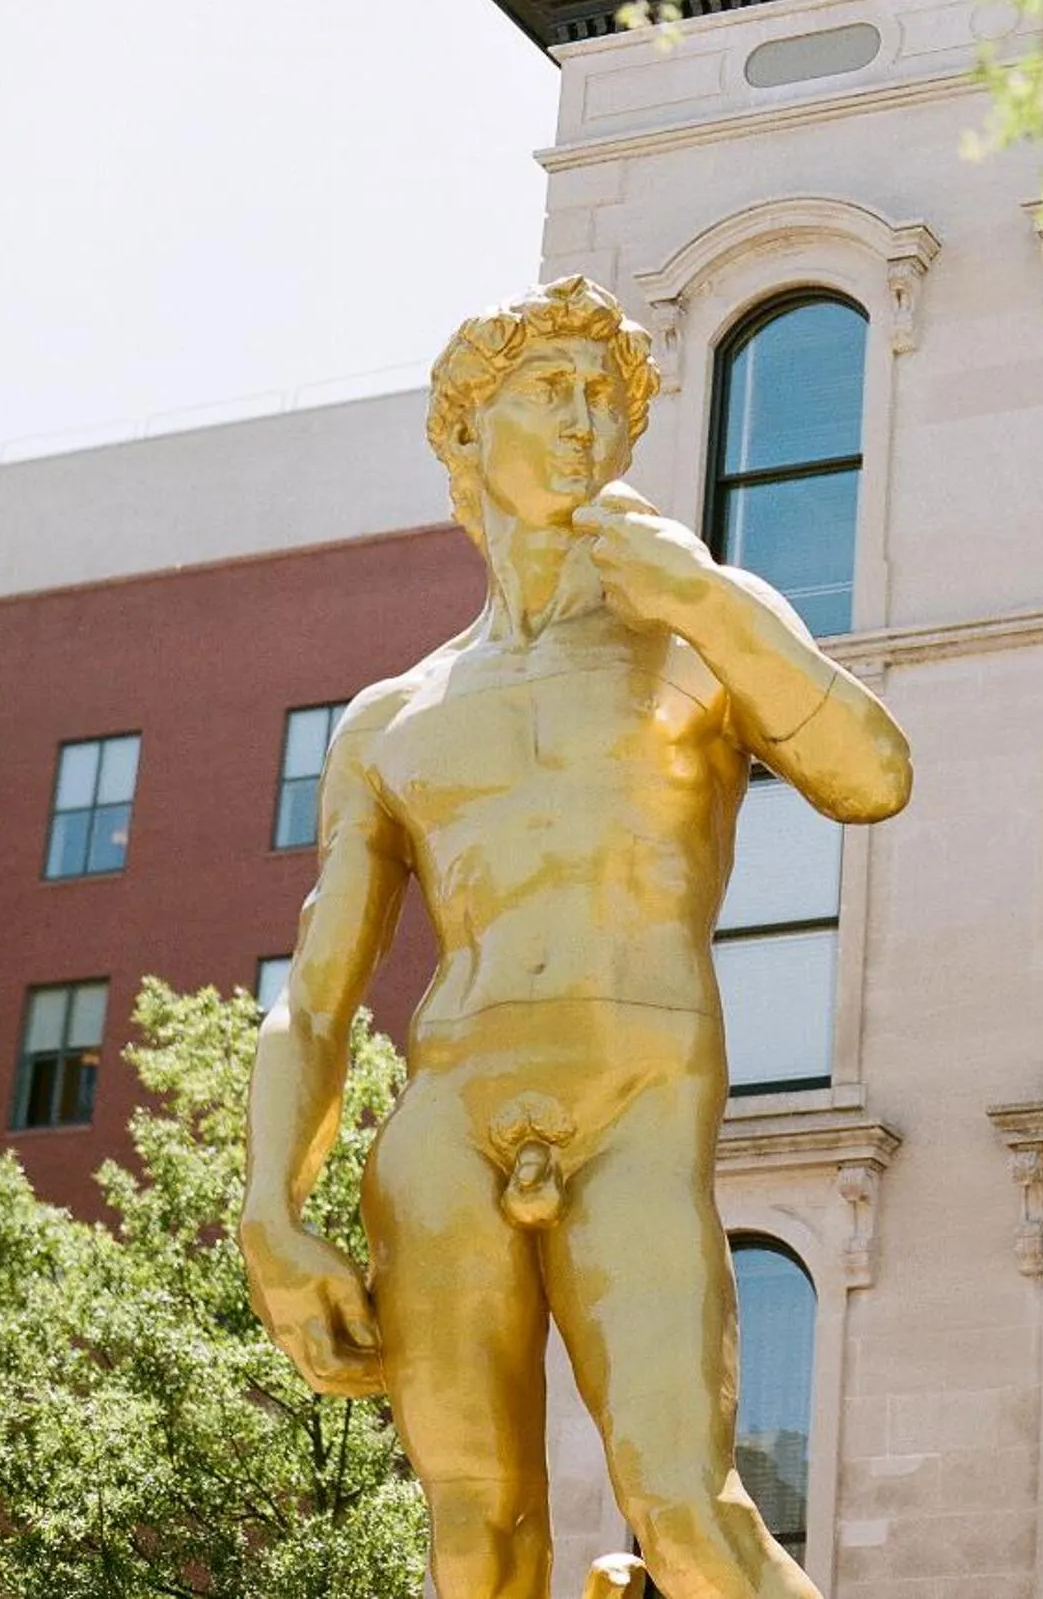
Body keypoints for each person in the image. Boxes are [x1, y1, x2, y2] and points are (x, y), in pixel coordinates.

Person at [240, 276, 911, 1599]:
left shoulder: (696, 626)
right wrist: (270, 1209)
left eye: (605, 396)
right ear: (465, 429)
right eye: (550, 388)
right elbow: (316, 998)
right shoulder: (391, 719)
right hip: (446, 1122)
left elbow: (872, 773)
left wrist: (707, 598)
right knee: (474, 1533)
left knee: (686, 1510)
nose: (585, 418)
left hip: (635, 1098)